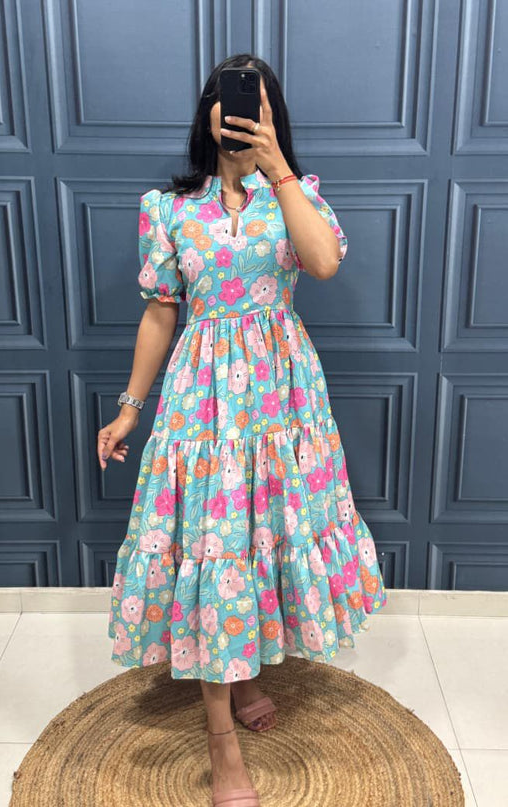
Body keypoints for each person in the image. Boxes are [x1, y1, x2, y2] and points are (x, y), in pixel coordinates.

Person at [100, 54, 387, 807]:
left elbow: (321, 262)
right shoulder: (169, 209)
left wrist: (277, 166)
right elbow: (163, 308)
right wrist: (130, 405)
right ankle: (221, 739)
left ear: (271, 116)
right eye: (226, 107)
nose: (236, 119)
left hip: (282, 399)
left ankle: (243, 668)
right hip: (204, 405)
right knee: (214, 541)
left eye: (254, 108)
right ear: (205, 116)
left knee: (261, 533)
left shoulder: (294, 194)